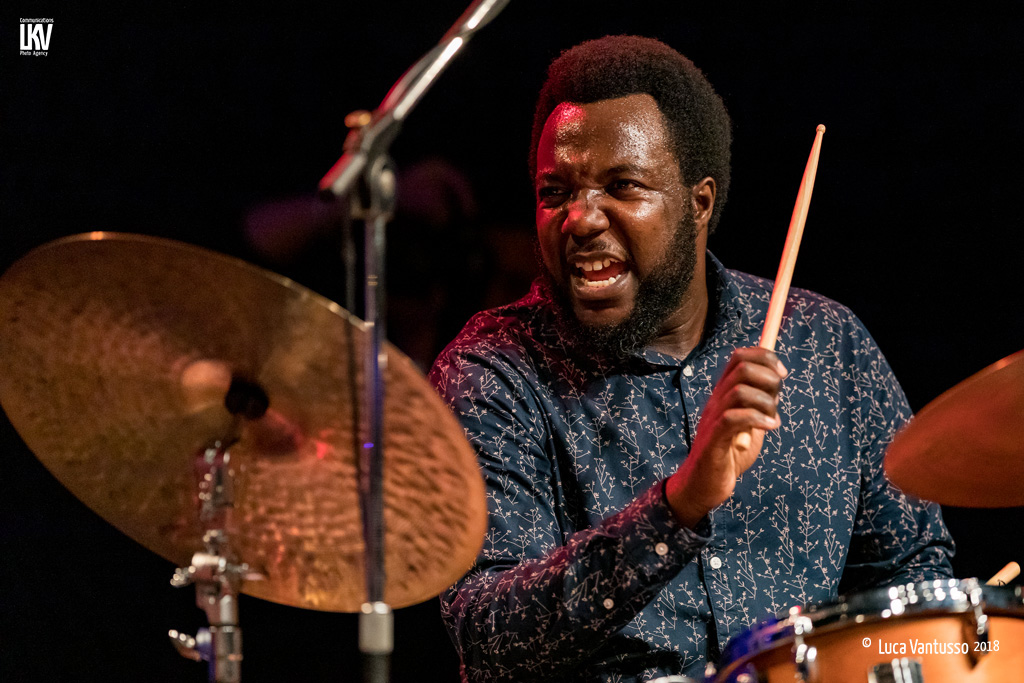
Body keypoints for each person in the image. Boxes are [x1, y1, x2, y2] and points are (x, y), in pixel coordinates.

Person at [429, 35, 953, 682]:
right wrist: (676, 506)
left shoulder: (822, 344)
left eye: (622, 185)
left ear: (700, 203)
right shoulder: (492, 372)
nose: (580, 219)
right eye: (555, 191)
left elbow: (913, 574)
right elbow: (490, 635)